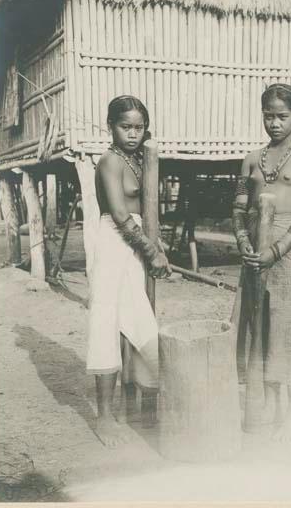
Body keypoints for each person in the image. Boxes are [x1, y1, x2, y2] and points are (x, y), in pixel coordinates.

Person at [231, 83, 291, 442]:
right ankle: (268, 403)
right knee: (261, 326)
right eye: (268, 115)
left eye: (282, 116)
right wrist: (244, 242)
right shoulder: (252, 159)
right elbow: (238, 208)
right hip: (254, 250)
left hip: (289, 251)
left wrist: (277, 249)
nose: (274, 123)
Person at [86, 95, 171, 447]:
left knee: (139, 320)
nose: (133, 134)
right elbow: (121, 216)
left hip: (136, 245)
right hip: (114, 243)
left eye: (139, 128)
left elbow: (144, 211)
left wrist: (155, 244)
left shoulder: (138, 160)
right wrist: (150, 250)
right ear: (110, 127)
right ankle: (105, 417)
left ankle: (144, 408)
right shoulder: (109, 161)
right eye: (125, 127)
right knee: (106, 323)